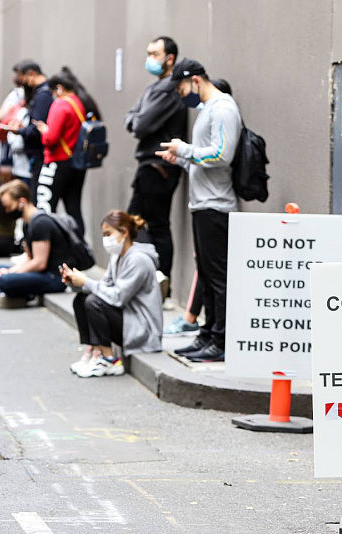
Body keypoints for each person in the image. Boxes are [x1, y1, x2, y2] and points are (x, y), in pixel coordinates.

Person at [156, 59, 242, 362]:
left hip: (216, 205)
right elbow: (207, 158)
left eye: (181, 88)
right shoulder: (209, 110)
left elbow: (221, 154)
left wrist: (185, 150)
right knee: (207, 274)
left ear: (194, 80)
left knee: (217, 277)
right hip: (204, 203)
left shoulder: (222, 108)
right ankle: (207, 334)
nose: (181, 95)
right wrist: (179, 158)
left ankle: (220, 341)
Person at [124, 36, 186, 306]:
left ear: (169, 58)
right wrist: (137, 118)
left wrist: (137, 119)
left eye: (154, 53)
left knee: (153, 223)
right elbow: (131, 117)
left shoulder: (170, 90)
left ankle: (163, 284)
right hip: (149, 166)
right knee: (135, 222)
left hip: (159, 166)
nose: (149, 58)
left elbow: (139, 124)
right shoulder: (155, 88)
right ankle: (152, 280)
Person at [63, 210, 163, 378]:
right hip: (128, 320)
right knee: (82, 299)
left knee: (93, 302)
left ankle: (110, 360)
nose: (106, 239)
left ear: (124, 231)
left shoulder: (138, 260)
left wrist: (86, 281)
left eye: (108, 234)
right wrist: (75, 283)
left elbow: (118, 297)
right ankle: (94, 352)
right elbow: (103, 287)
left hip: (143, 330)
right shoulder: (117, 256)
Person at [32, 67, 102, 234]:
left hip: (56, 162)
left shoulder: (61, 105)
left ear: (59, 88)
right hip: (75, 163)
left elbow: (51, 139)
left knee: (45, 208)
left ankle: (45, 251)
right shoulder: (79, 102)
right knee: (74, 209)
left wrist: (43, 131)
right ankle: (79, 252)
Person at [0, 180, 71, 308]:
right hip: (42, 273)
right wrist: (11, 271)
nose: (7, 210)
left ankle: (20, 296)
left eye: (9, 206)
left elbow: (39, 263)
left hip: (54, 278)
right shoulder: (28, 223)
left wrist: (10, 272)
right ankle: (21, 296)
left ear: (22, 202)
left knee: (5, 279)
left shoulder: (40, 223)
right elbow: (30, 258)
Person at [10, 60, 51, 195]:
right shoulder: (43, 93)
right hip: (42, 154)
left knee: (38, 199)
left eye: (24, 78)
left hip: (40, 154)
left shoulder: (43, 95)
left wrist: (20, 130)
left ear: (31, 74)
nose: (24, 83)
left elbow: (36, 129)